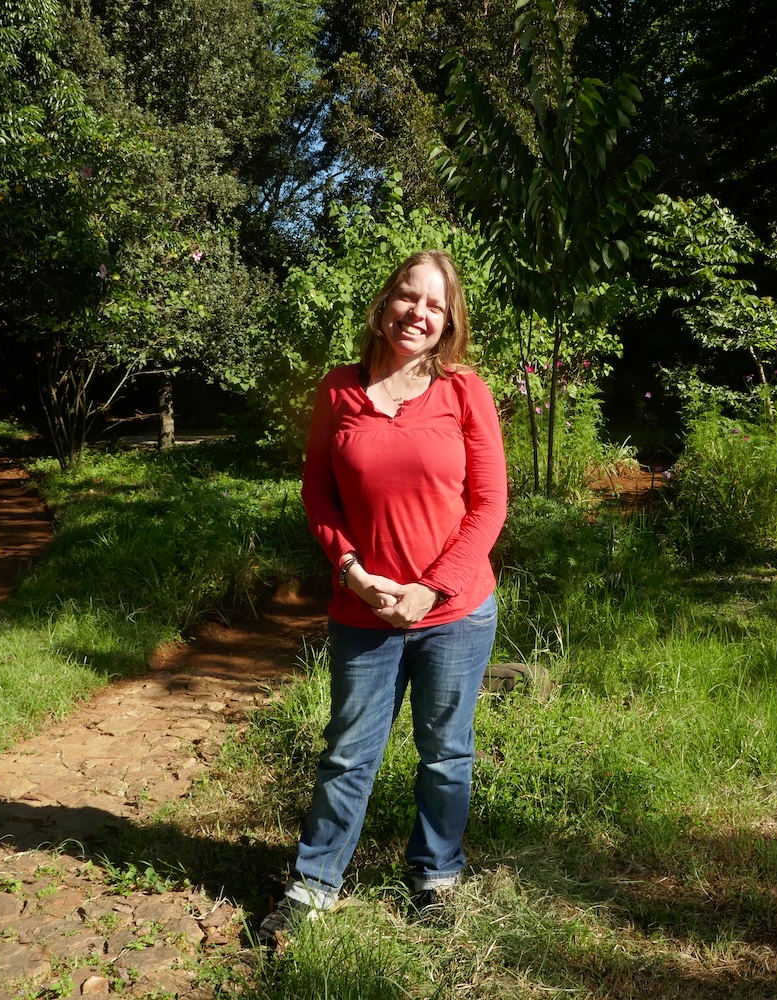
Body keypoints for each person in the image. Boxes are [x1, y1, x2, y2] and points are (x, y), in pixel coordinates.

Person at [260, 249, 508, 944]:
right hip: (361, 611)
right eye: (408, 296)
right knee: (347, 752)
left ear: (448, 321)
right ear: (384, 301)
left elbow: (489, 507)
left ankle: (435, 875)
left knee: (446, 752)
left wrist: (431, 589)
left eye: (434, 305)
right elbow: (318, 491)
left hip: (454, 613)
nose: (418, 314)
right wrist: (350, 569)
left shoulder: (465, 391)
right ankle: (314, 886)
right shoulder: (338, 390)